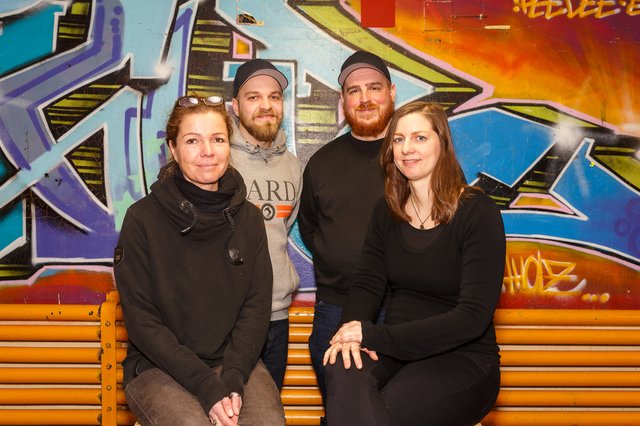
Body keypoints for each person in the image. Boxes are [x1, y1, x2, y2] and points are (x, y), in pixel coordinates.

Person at [322, 101, 506, 426]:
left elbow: (472, 318)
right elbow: (367, 283)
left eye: (419, 138)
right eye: (398, 139)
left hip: (462, 358)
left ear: (442, 144)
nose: (407, 148)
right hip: (395, 351)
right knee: (342, 367)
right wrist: (350, 335)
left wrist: (373, 336)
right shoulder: (386, 211)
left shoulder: (478, 213)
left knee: (380, 415)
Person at [113, 95, 285, 426]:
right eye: (193, 140)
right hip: (158, 366)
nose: (208, 151)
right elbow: (143, 322)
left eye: (217, 139)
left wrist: (232, 379)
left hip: (234, 364)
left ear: (228, 146)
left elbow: (256, 306)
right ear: (174, 149)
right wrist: (207, 387)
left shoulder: (248, 219)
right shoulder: (142, 220)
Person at [298, 50, 396, 405]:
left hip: (403, 312)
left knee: (405, 409)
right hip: (335, 311)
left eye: (374, 87)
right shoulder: (322, 163)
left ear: (392, 92)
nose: (365, 98)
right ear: (342, 101)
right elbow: (310, 229)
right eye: (354, 91)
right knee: (343, 411)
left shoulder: (415, 157)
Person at [230, 59, 302, 390]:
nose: (265, 106)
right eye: (253, 97)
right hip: (229, 319)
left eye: (274, 97)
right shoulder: (218, 160)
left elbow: (280, 230)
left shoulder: (292, 165)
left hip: (277, 317)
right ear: (235, 106)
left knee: (268, 412)